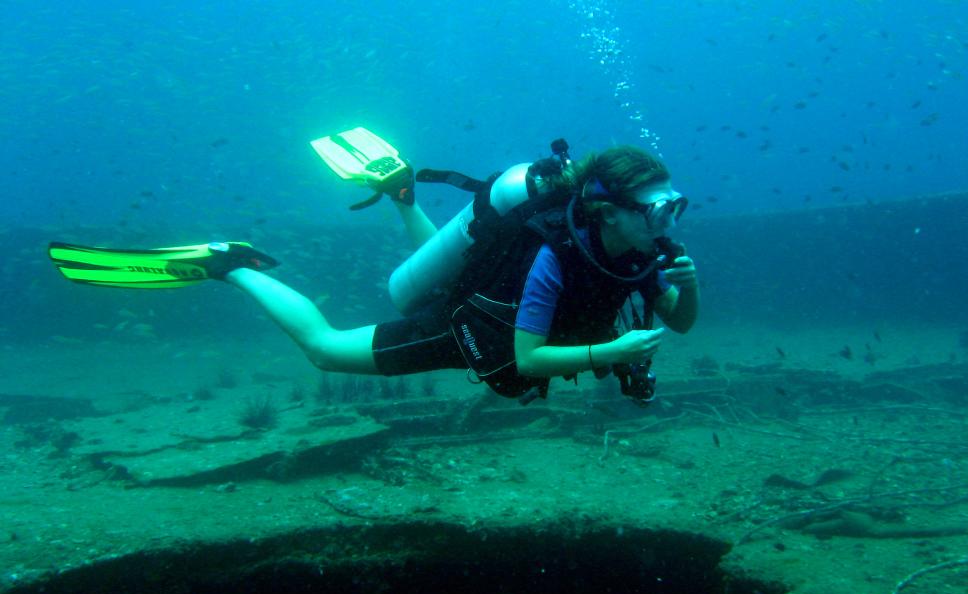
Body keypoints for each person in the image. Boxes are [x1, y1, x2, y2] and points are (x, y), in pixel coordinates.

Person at [50, 144, 698, 403]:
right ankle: (234, 263)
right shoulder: (558, 257)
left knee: (452, 268)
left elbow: (681, 318)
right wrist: (611, 349)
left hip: (482, 295)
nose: (669, 218)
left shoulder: (640, 251)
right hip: (470, 331)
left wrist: (685, 287)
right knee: (325, 349)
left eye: (675, 204)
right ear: (608, 212)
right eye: (657, 207)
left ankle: (402, 195)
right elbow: (528, 360)